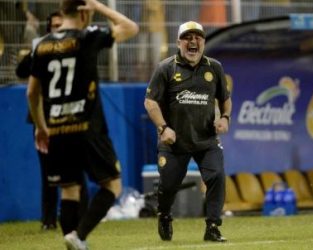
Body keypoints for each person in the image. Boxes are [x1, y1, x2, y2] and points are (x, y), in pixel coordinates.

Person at [26, 0, 138, 249]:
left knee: (69, 190)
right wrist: (100, 7)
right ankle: (80, 235)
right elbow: (130, 27)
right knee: (112, 185)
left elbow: (32, 93)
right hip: (87, 127)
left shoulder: (42, 46)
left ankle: (72, 239)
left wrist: (42, 126)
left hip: (57, 128)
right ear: (84, 12)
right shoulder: (87, 37)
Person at [144, 21, 232, 242]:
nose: (193, 42)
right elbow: (150, 102)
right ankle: (164, 214)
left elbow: (225, 99)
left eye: (198, 37)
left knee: (217, 177)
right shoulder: (166, 68)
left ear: (203, 42)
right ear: (178, 42)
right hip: (174, 142)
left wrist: (224, 117)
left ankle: (212, 227)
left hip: (206, 139)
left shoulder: (215, 67)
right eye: (187, 38)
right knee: (168, 185)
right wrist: (163, 128)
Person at [16, 11, 91, 231]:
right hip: (44, 120)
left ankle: (82, 216)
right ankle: (48, 220)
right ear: (48, 28)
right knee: (48, 173)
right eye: (53, 26)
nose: (57, 29)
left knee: (78, 171)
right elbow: (21, 71)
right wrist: (36, 51)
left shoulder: (76, 47)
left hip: (70, 117)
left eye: (61, 25)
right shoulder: (42, 49)